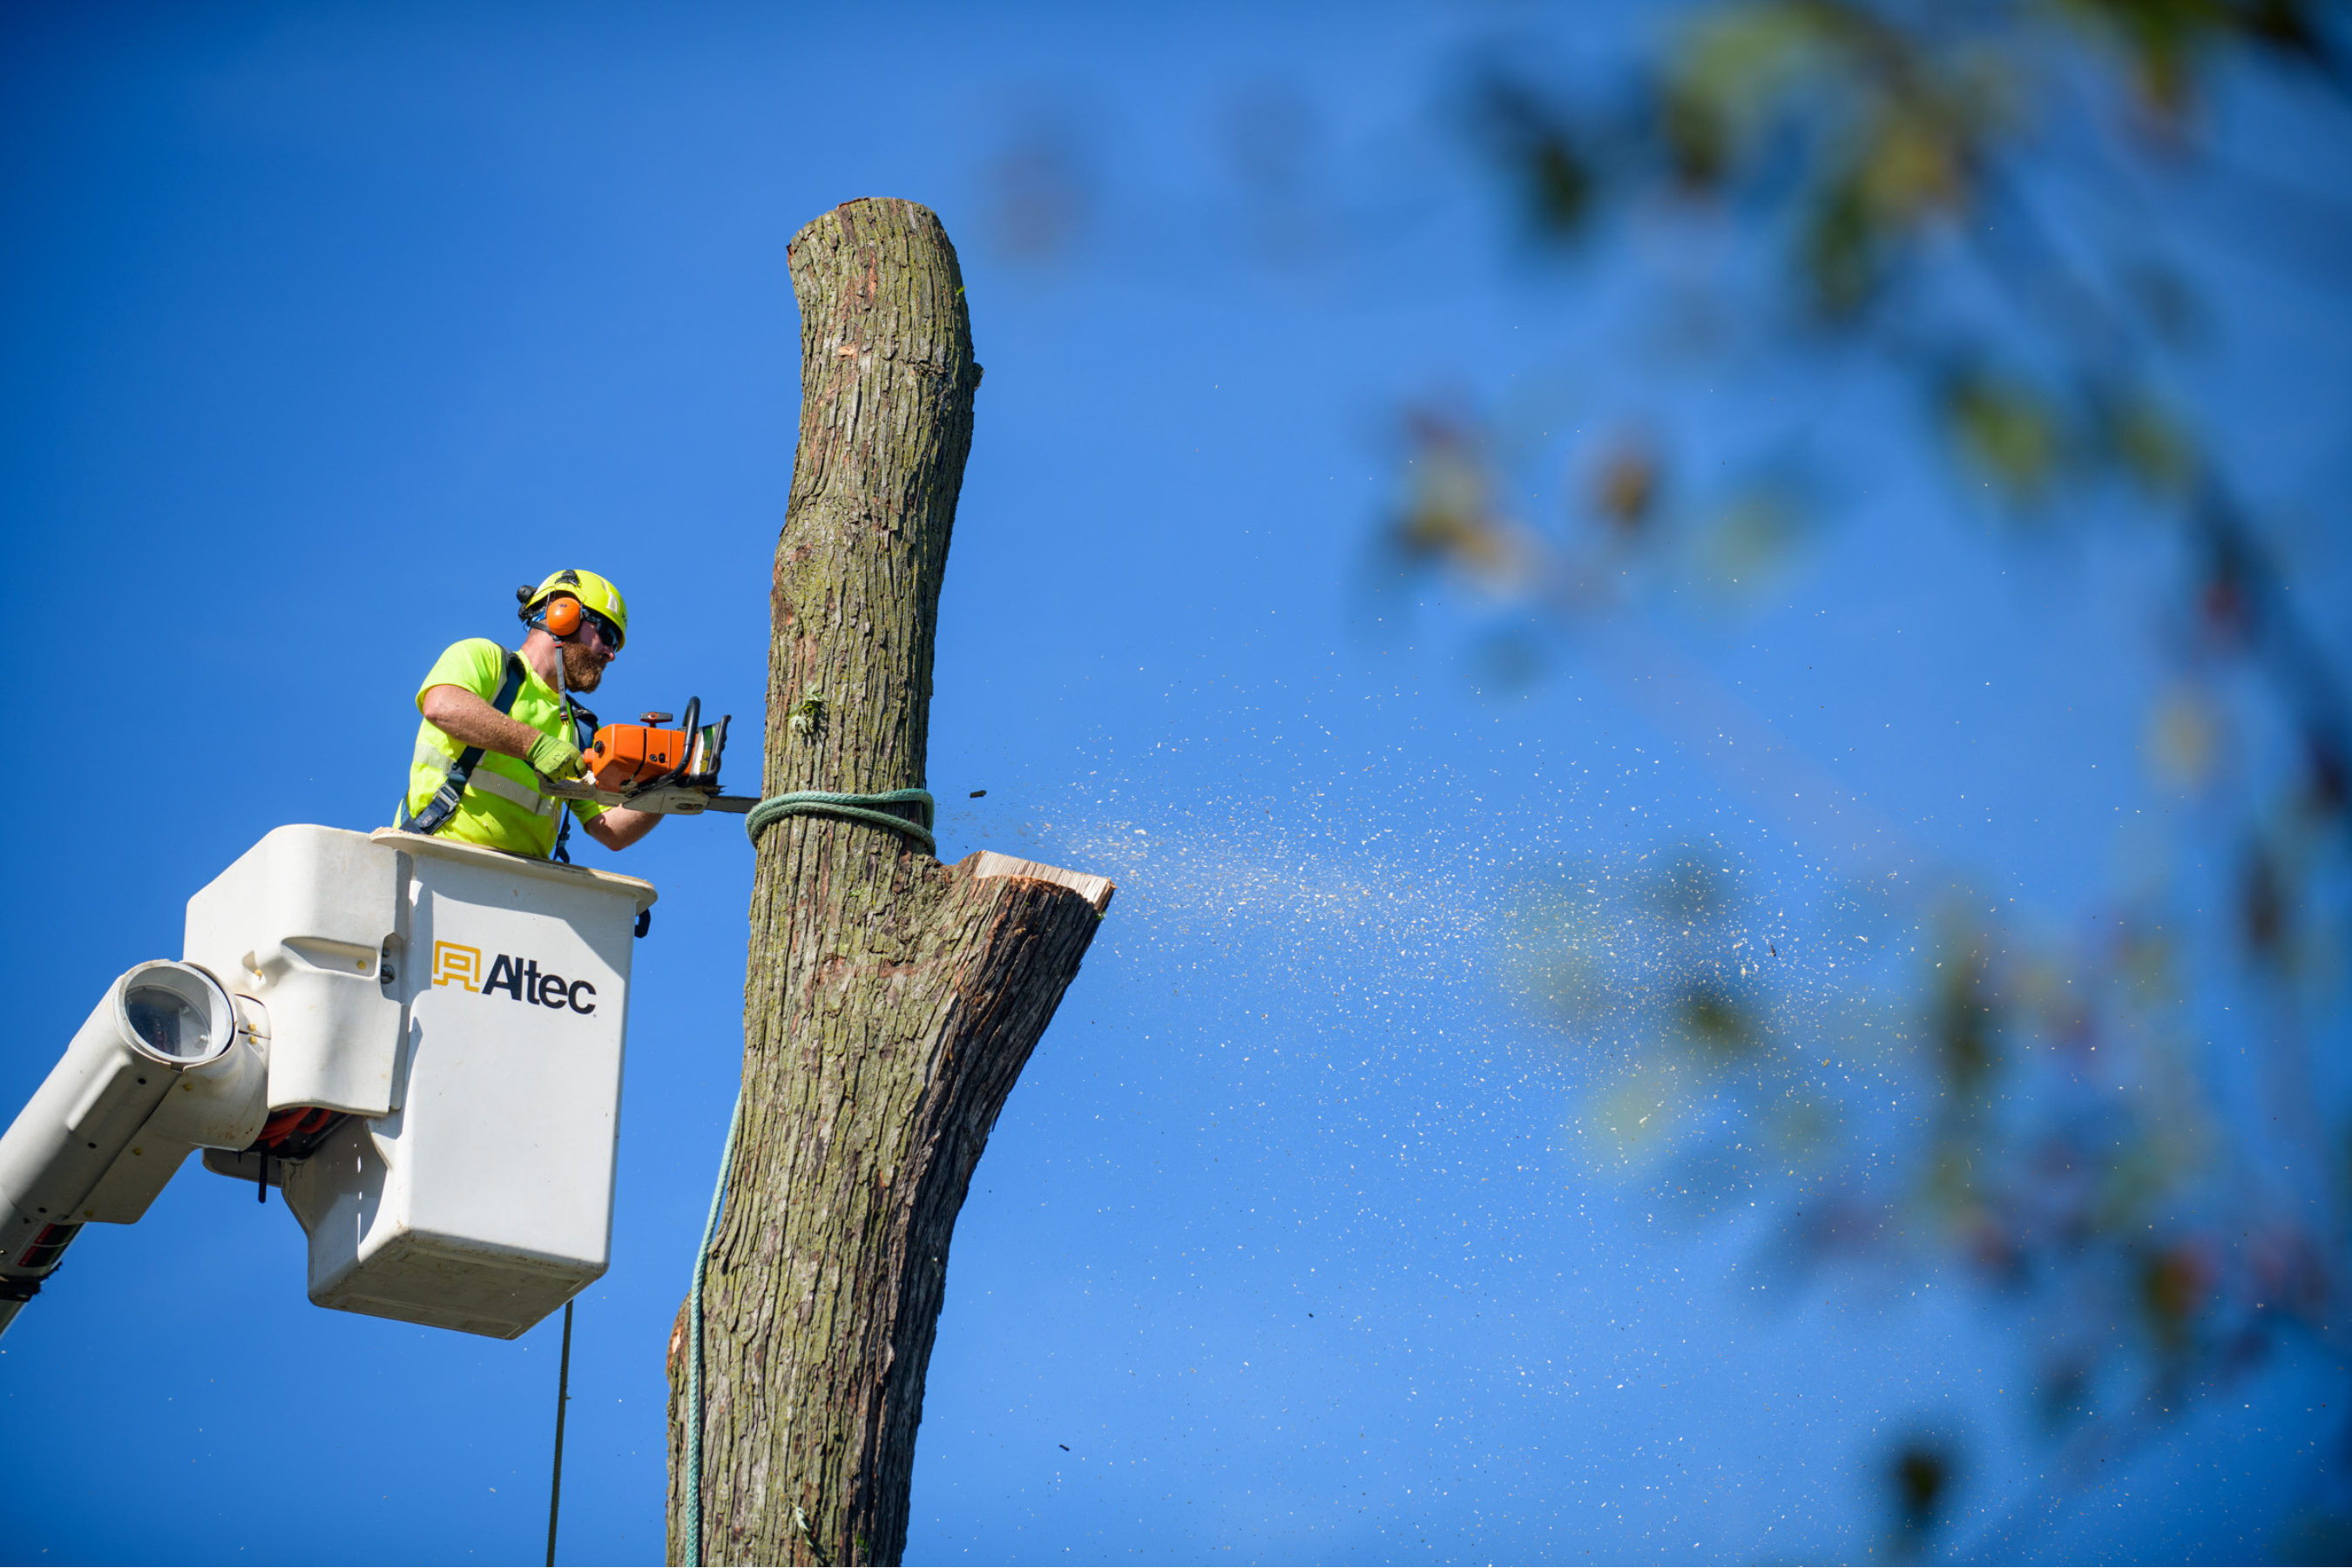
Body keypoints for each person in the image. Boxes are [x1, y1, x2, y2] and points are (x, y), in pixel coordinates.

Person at [397, 570, 660, 859]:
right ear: (564, 613)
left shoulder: (581, 729)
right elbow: (442, 706)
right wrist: (535, 745)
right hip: (435, 857)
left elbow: (610, 830)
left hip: (523, 883)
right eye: (608, 635)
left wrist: (663, 789)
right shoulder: (485, 660)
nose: (611, 654)